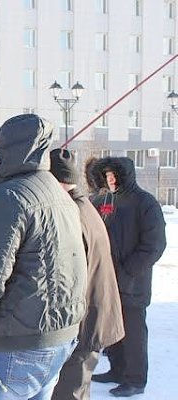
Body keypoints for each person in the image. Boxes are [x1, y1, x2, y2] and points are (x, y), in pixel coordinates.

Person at [0, 114, 88, 399]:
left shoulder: (9, 197)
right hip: (57, 337)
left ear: (6, 149)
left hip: (12, 345)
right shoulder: (59, 194)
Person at [49, 148, 125, 400]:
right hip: (91, 314)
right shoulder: (81, 204)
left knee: (70, 393)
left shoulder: (74, 213)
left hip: (87, 319)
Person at [90, 157, 167, 397]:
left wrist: (127, 272)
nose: (111, 179)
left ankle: (135, 379)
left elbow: (154, 245)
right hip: (106, 279)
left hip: (133, 282)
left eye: (114, 175)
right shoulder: (103, 200)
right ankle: (117, 369)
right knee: (111, 328)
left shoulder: (145, 202)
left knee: (133, 333)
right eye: (107, 175)